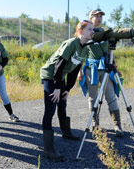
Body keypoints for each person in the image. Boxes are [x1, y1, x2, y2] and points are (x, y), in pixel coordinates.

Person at [39, 20, 94, 160]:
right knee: (51, 108)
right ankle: (49, 149)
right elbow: (59, 66)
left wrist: (67, 89)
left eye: (93, 30)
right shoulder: (71, 44)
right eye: (90, 29)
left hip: (59, 77)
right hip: (50, 75)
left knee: (62, 103)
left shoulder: (85, 47)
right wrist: (57, 87)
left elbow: (74, 70)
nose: (93, 32)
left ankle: (66, 132)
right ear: (81, 31)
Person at [78, 9, 124, 137]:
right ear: (90, 17)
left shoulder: (106, 32)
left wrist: (115, 68)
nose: (99, 18)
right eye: (96, 16)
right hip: (91, 68)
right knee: (93, 98)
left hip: (105, 68)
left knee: (111, 96)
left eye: (100, 16)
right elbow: (81, 53)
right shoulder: (86, 32)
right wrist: (79, 71)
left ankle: (117, 125)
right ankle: (95, 124)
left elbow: (110, 52)